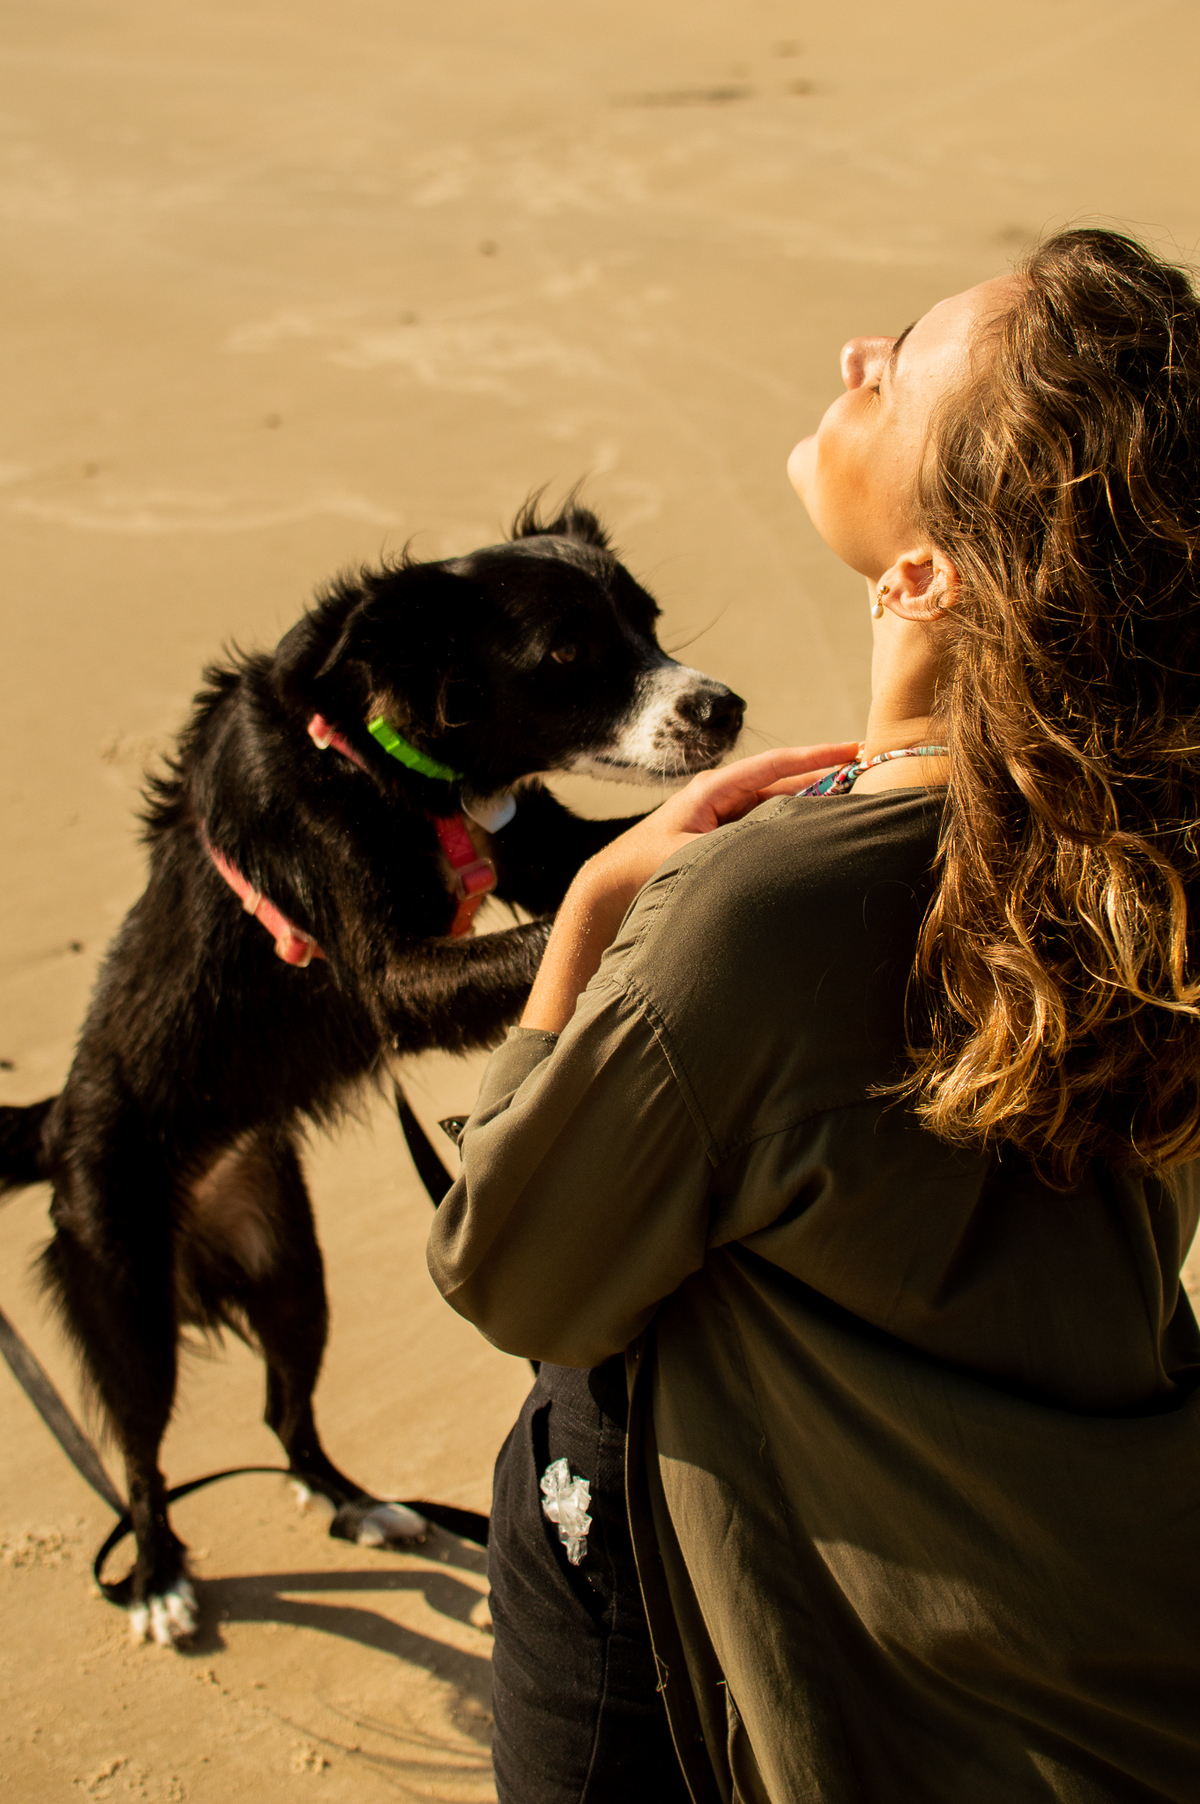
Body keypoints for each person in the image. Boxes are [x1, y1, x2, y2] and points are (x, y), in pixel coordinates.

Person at [428, 228, 1200, 1804]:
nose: (859, 351)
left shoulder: (756, 913)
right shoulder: (1151, 856)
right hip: (1087, 1619)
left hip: (723, 1619)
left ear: (923, 576)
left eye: (902, 357)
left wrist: (590, 912)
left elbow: (511, 1269)